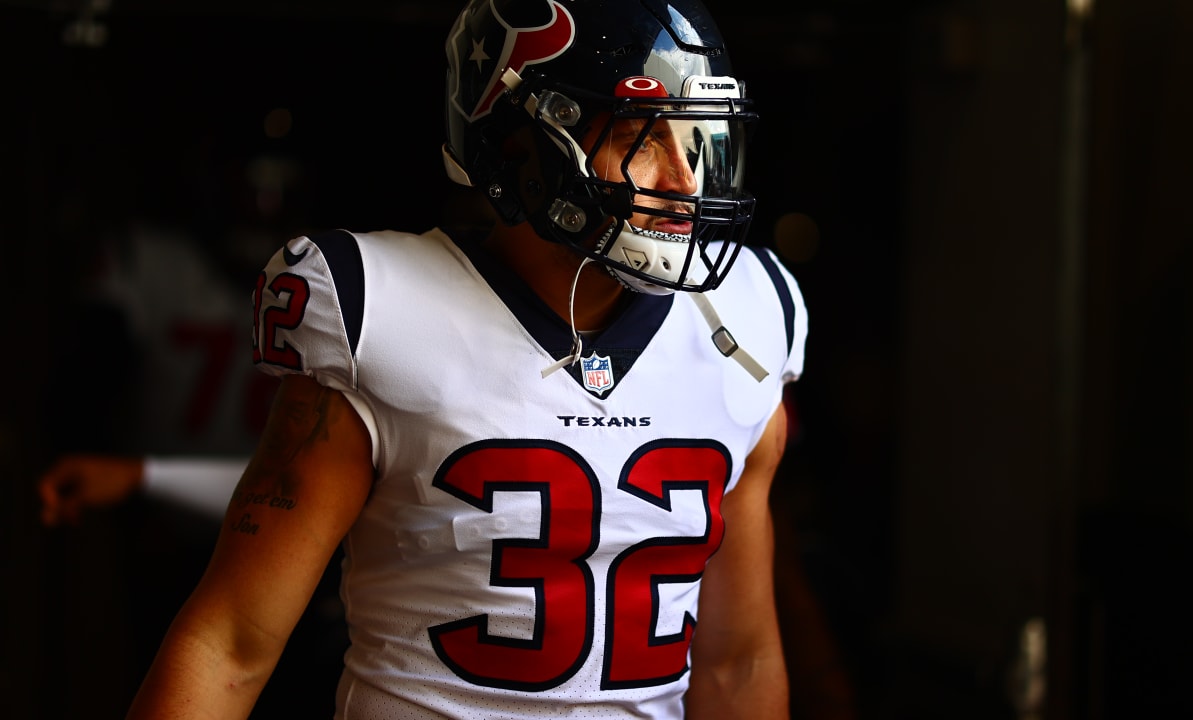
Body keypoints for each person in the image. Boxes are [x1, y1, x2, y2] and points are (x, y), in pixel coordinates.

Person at [125, 0, 808, 717]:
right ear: (524, 144)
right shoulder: (381, 308)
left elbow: (738, 661)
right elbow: (231, 643)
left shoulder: (749, 316)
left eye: (697, 139)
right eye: (641, 136)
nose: (684, 180)